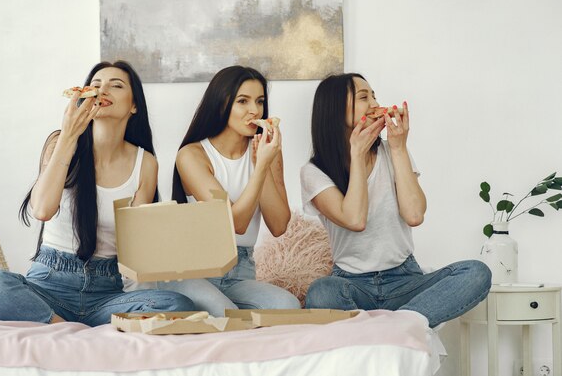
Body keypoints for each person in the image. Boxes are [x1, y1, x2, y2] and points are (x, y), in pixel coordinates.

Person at [0, 61, 194, 326]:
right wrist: (69, 136)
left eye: (116, 85)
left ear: (134, 105)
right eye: (96, 85)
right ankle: (61, 326)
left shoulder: (145, 163)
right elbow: (42, 210)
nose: (103, 91)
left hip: (106, 294)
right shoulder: (60, 141)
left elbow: (134, 249)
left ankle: (59, 326)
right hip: (48, 286)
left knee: (177, 303)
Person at [301, 73, 491, 328]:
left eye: (374, 95)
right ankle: (402, 325)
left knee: (477, 272)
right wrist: (356, 154)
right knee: (321, 292)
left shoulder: (393, 152)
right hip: (352, 285)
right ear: (335, 109)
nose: (374, 103)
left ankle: (395, 326)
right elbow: (355, 220)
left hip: (405, 279)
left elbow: (414, 215)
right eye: (363, 97)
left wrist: (399, 148)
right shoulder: (314, 172)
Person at [159, 65, 301, 315]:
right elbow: (234, 223)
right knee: (225, 314)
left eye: (259, 101)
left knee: (287, 306)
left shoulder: (265, 152)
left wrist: (264, 163)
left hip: (241, 270)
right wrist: (260, 168)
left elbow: (279, 226)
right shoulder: (193, 155)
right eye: (243, 101)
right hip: (194, 272)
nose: (254, 110)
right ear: (221, 104)